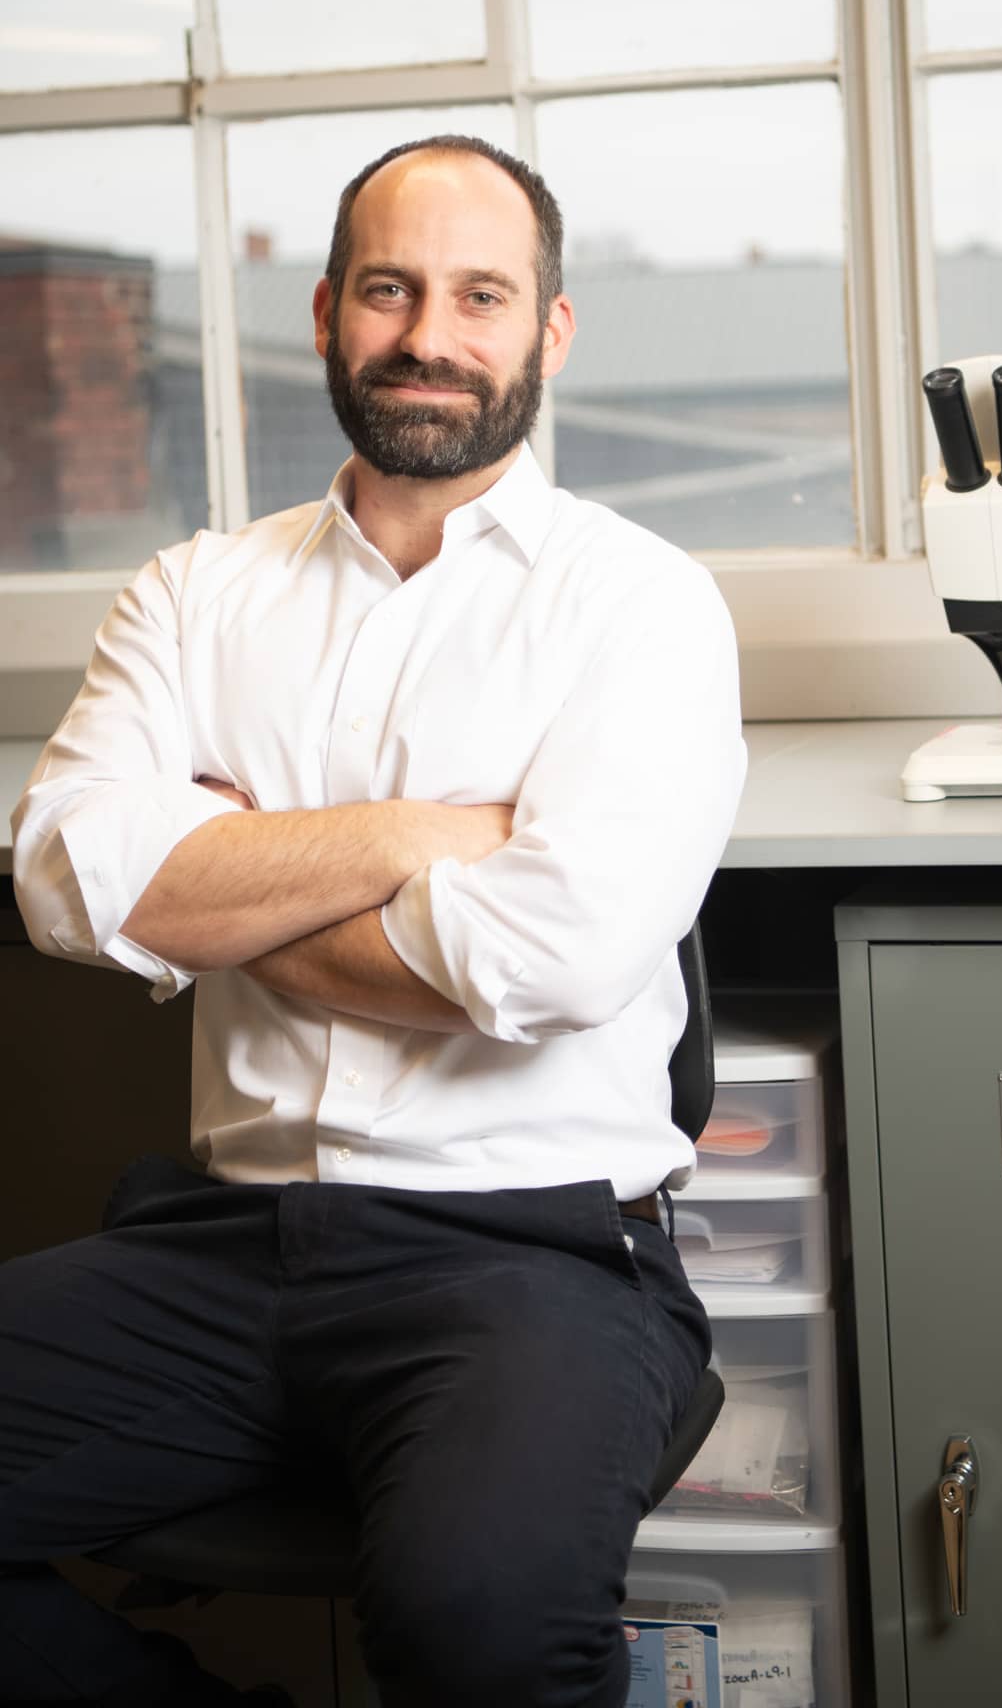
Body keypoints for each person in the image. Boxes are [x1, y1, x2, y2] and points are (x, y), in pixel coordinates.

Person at [3, 136, 747, 1708]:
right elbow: (68, 877)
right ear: (331, 311)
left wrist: (212, 878)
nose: (429, 333)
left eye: (481, 295)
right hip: (216, 1247)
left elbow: (553, 958)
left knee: (482, 1631)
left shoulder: (640, 603)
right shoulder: (196, 592)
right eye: (392, 290)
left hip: (531, 1256)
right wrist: (423, 841)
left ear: (548, 332)